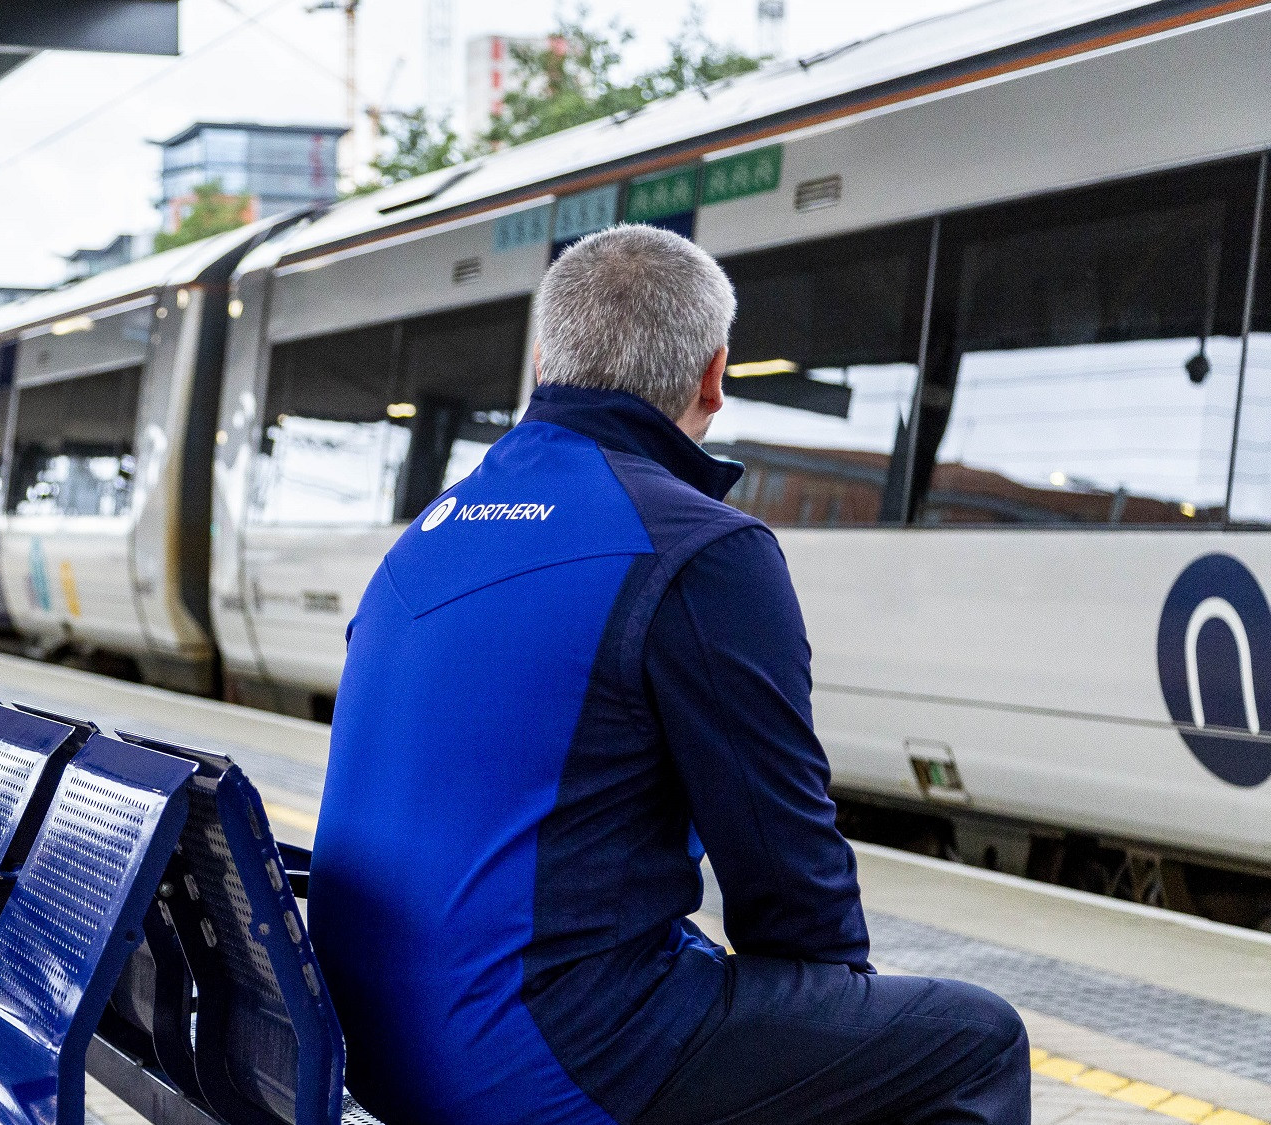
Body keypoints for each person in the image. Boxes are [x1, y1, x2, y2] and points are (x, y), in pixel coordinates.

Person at [310, 225, 1030, 1125]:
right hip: (532, 1058)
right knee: (973, 1041)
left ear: (544, 360)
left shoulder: (429, 534)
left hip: (372, 1040)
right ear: (713, 376)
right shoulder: (699, 549)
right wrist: (828, 1033)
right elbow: (785, 872)